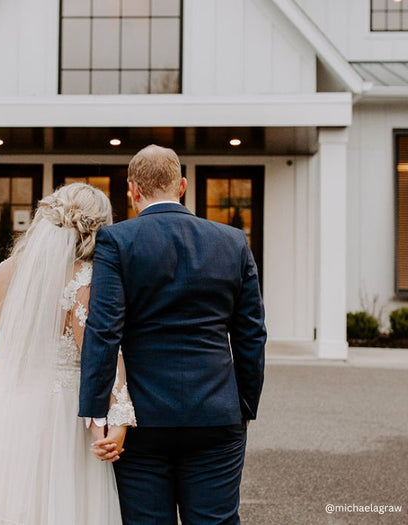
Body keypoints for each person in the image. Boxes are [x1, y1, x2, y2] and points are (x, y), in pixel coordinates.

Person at [80, 145, 267, 524]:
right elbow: (251, 334)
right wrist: (244, 405)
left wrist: (96, 411)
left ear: (132, 189)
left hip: (143, 418)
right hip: (217, 411)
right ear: (182, 186)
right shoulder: (232, 241)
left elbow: (104, 330)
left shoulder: (117, 241)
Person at [0, 183, 136, 525]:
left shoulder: (5, 270)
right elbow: (98, 354)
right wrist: (118, 417)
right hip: (56, 406)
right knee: (52, 499)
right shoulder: (85, 278)